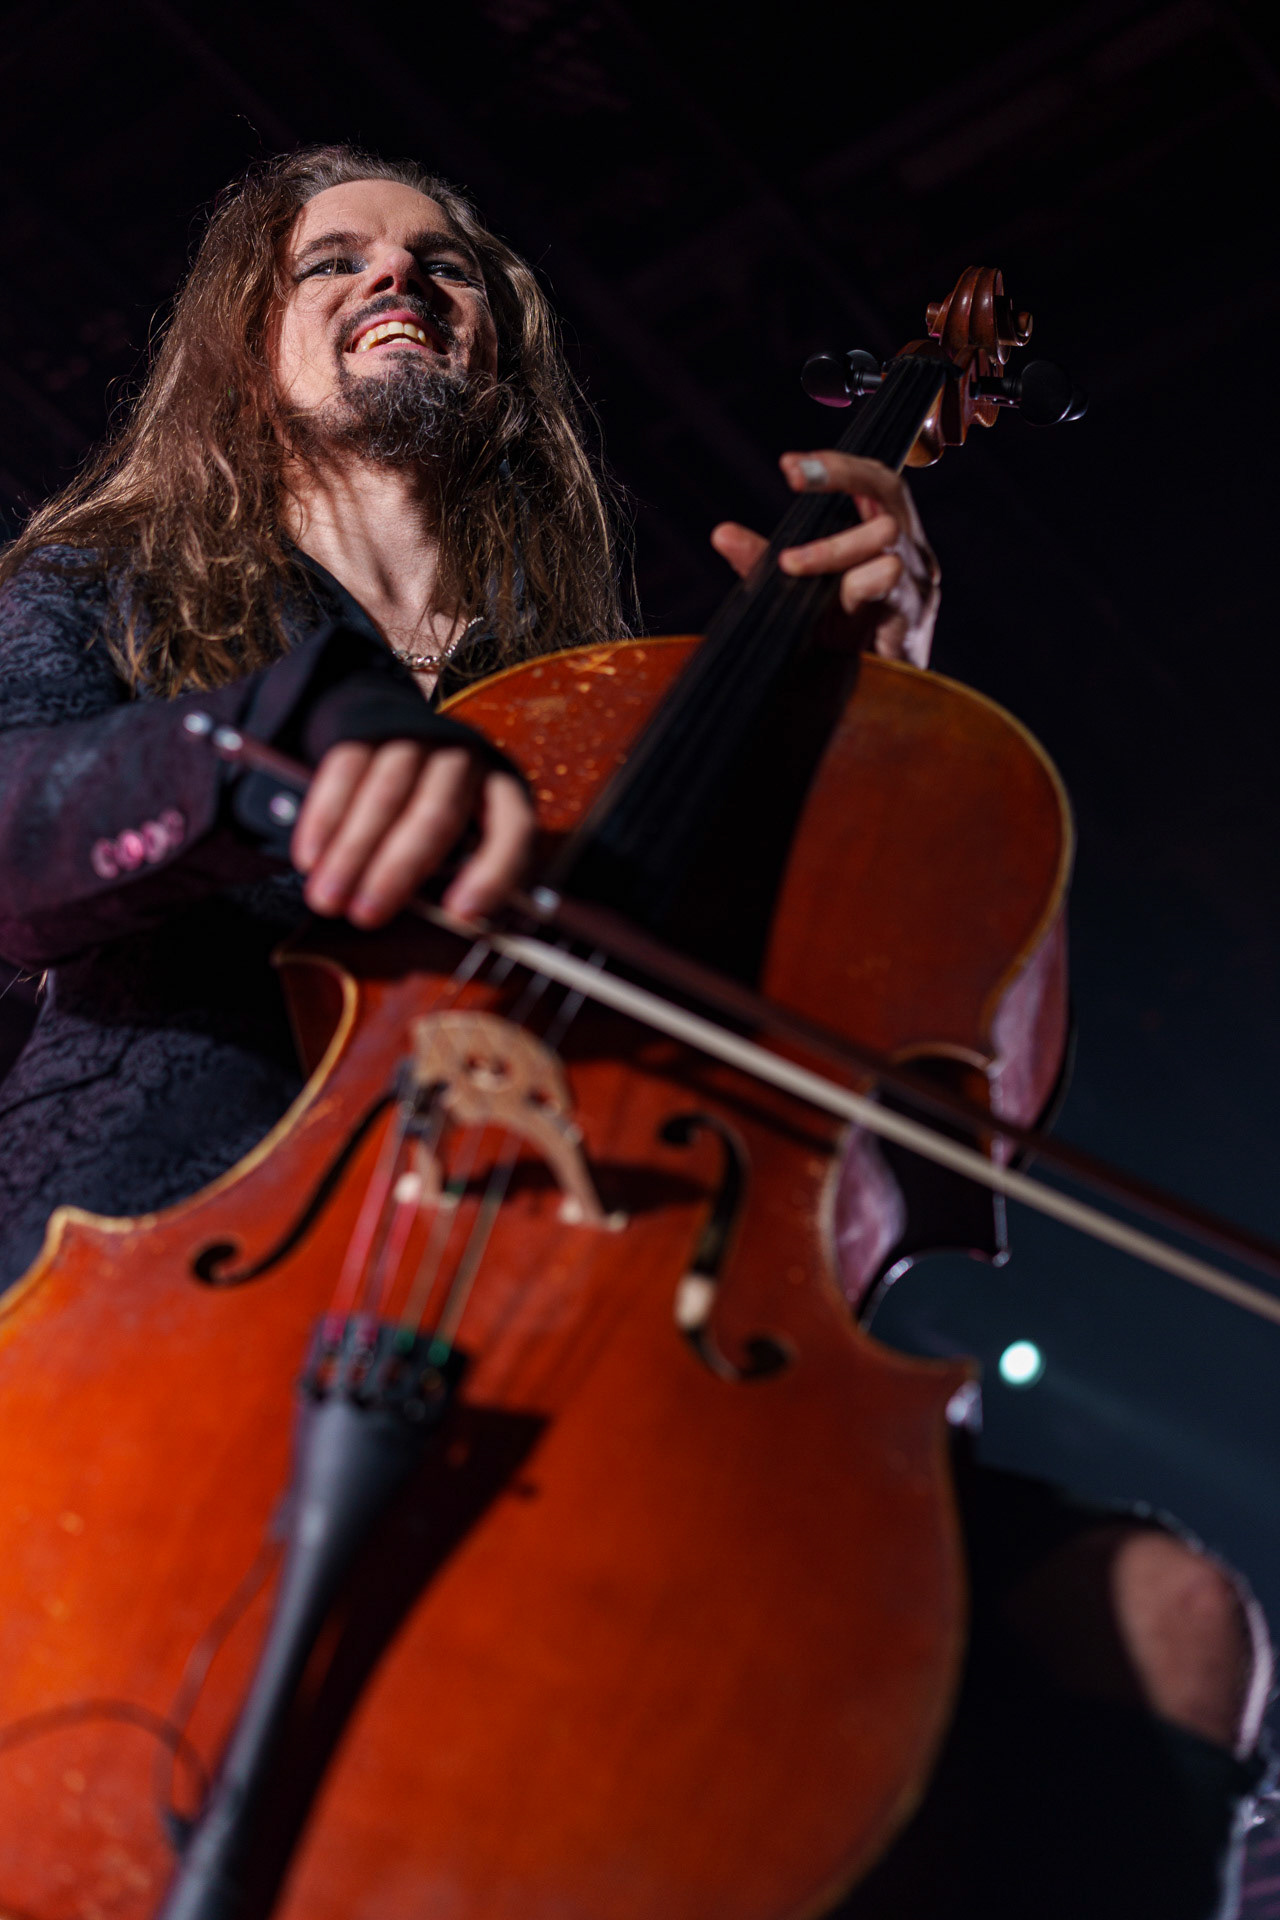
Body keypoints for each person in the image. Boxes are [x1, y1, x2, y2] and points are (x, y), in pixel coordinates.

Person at [0, 144, 1267, 1915]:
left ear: (500, 347)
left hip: (594, 1334)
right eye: (335, 260)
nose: (401, 279)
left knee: (1159, 1619)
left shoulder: (620, 707)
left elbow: (868, 1016)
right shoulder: (99, 596)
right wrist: (254, 754)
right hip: (177, 1297)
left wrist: (872, 697)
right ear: (242, 346)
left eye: (448, 264)